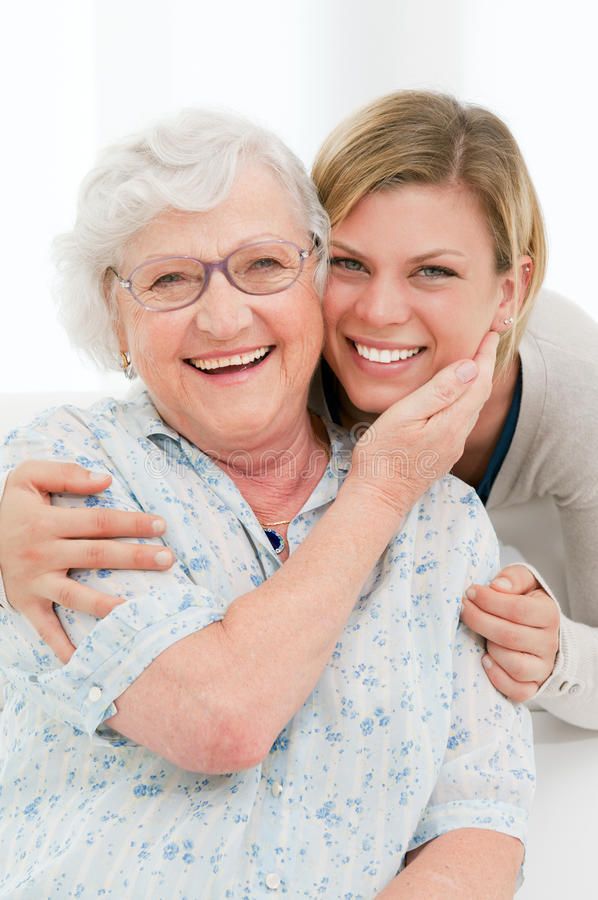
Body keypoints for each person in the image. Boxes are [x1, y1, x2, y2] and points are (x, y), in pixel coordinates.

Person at [0, 109, 532, 897]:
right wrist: (380, 489)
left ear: (317, 279)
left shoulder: (445, 520)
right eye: (169, 279)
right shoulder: (68, 470)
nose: (223, 317)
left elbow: (481, 820)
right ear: (117, 318)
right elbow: (220, 718)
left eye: (263, 265)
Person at [6, 92, 592, 728]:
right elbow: (161, 404)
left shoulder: (576, 404)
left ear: (510, 291)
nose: (379, 312)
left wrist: (559, 656)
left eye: (432, 272)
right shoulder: (281, 356)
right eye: (348, 264)